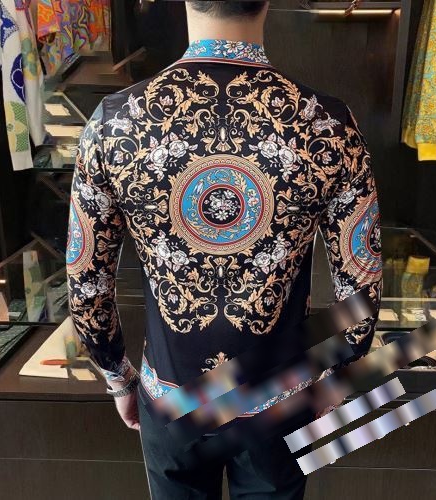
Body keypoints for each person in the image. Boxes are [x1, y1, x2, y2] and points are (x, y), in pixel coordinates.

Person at [66, 1, 383, 498]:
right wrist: (338, 373)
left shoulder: (113, 122)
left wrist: (119, 378)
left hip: (171, 397)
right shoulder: (328, 125)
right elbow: (361, 281)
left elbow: (86, 284)